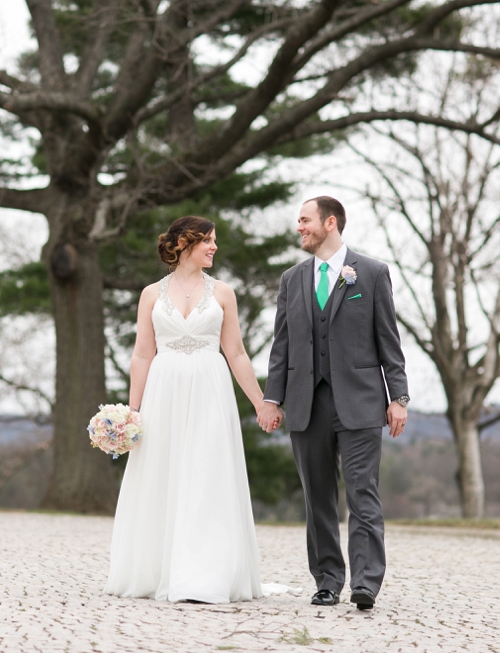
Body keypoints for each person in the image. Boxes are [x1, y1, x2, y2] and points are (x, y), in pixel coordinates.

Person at [104, 216, 267, 603]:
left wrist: (262, 403)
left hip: (210, 389)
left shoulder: (224, 292)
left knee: (207, 474)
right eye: (207, 240)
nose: (214, 247)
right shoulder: (150, 294)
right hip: (164, 390)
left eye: (214, 241)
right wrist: (132, 411)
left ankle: (204, 575)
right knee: (163, 472)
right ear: (182, 244)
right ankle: (159, 570)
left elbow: (237, 353)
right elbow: (143, 353)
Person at [257, 196, 409, 611]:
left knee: (363, 494)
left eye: (304, 220)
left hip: (360, 402)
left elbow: (388, 341)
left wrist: (398, 397)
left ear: (330, 223)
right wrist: (272, 399)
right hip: (307, 404)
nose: (299, 228)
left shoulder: (373, 273)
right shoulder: (291, 279)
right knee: (318, 497)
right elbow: (281, 345)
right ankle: (327, 580)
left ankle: (365, 583)